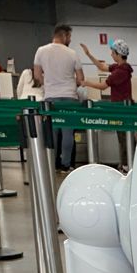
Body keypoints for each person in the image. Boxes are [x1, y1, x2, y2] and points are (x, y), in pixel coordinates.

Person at [33, 24, 84, 172]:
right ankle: (65, 164)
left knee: (52, 131)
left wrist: (49, 84)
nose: (70, 40)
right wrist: (71, 84)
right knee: (68, 133)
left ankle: (52, 163)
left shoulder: (41, 51)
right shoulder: (72, 53)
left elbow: (37, 75)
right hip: (70, 97)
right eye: (70, 37)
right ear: (65, 36)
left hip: (51, 97)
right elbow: (80, 78)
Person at [80, 39, 134, 171]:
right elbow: (102, 67)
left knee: (124, 137)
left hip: (121, 109)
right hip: (121, 107)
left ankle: (126, 165)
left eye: (113, 52)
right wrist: (88, 54)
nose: (111, 54)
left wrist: (87, 83)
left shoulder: (121, 72)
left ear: (119, 54)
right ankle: (125, 163)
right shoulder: (119, 68)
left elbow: (103, 86)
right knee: (123, 137)